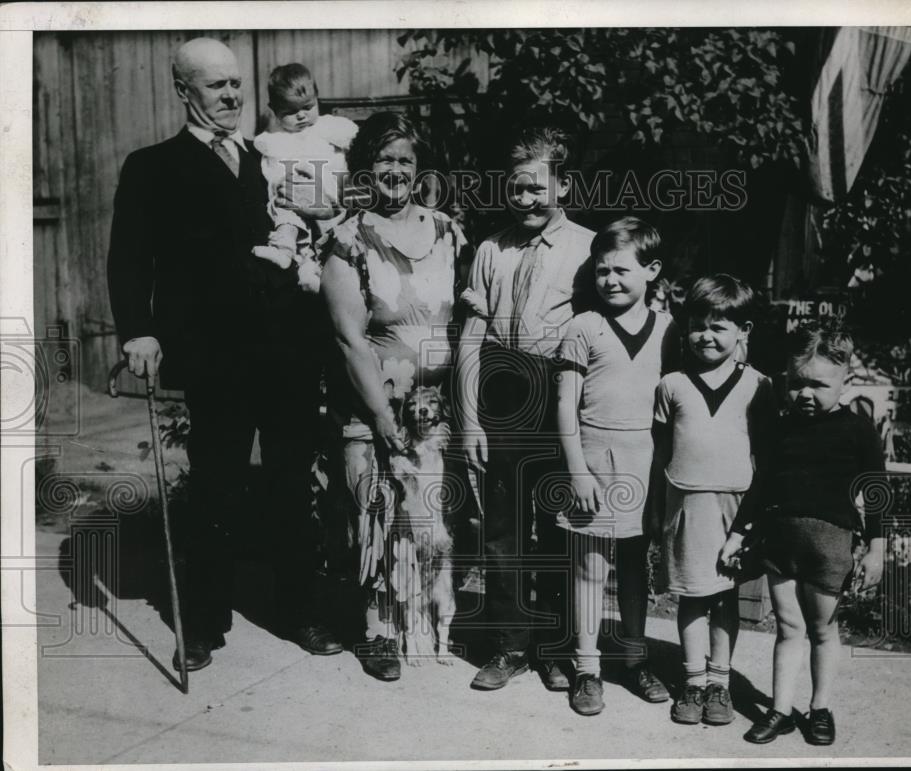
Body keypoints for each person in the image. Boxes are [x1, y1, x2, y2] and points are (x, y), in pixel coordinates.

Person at [106, 37, 341, 672]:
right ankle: (204, 620)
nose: (232, 95)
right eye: (216, 86)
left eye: (236, 83)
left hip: (287, 352)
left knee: (294, 484)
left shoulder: (272, 156)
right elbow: (129, 258)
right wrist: (139, 331)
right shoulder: (153, 166)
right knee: (217, 486)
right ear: (184, 90)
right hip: (216, 359)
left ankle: (300, 611)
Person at [310, 111, 470, 682]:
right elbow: (348, 337)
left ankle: (431, 625)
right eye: (384, 159)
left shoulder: (448, 231)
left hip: (436, 414)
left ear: (419, 168)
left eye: (405, 159)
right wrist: (380, 415)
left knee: (430, 524)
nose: (396, 171)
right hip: (373, 410)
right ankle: (378, 632)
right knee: (375, 517)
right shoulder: (348, 240)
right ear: (364, 169)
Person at [455, 125, 596, 692]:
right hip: (502, 393)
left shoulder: (590, 249)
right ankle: (510, 644)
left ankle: (557, 649)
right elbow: (470, 336)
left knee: (560, 525)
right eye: (516, 188)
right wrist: (468, 421)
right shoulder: (491, 249)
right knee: (504, 528)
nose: (526, 200)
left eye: (538, 187)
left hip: (561, 395)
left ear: (563, 185)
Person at [722, 321, 886, 746]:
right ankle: (779, 710)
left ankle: (820, 708)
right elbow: (762, 486)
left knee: (823, 631)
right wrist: (738, 534)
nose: (806, 395)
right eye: (796, 384)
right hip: (781, 543)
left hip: (830, 547)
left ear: (844, 380)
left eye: (818, 385)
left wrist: (877, 549)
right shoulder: (781, 426)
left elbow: (877, 492)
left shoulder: (858, 430)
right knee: (788, 629)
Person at [554, 217, 678, 715]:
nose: (609, 280)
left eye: (620, 270)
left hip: (643, 463)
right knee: (588, 567)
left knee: (633, 566)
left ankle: (632, 658)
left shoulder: (671, 331)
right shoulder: (584, 326)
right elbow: (565, 405)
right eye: (601, 271)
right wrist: (577, 469)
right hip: (592, 462)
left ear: (652, 270)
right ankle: (586, 668)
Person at [650, 274, 776, 726]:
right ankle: (693, 681)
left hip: (736, 508)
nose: (706, 334)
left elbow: (764, 456)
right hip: (686, 503)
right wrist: (654, 506)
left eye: (719, 326)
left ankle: (719, 682)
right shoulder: (673, 385)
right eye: (699, 324)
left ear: (743, 331)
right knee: (692, 596)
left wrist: (758, 518)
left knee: (725, 596)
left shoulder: (759, 385)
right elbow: (661, 451)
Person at [252, 63, 358, 292]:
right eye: (289, 112)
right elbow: (269, 165)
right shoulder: (276, 139)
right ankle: (287, 253)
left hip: (328, 189)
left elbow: (355, 141)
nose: (301, 115)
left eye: (308, 107)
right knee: (287, 214)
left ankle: (319, 269)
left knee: (331, 237)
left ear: (317, 98)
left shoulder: (328, 127)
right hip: (293, 197)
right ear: (274, 110)